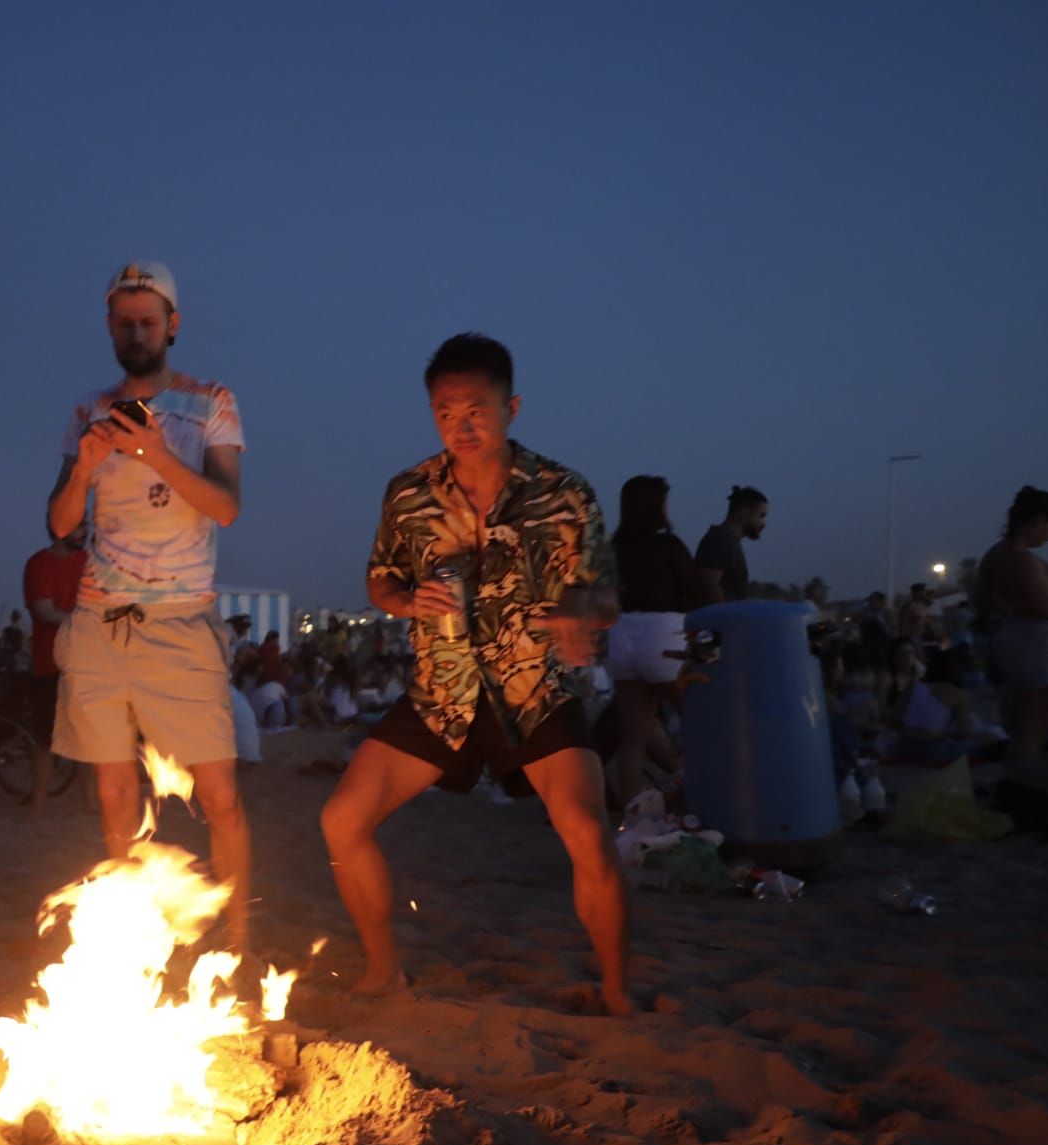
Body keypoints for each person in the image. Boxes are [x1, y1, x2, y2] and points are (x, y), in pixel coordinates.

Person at [318, 334, 630, 1013]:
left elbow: (605, 595)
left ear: (511, 407)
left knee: (585, 828)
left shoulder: (564, 492)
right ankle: (383, 972)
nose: (460, 424)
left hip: (535, 692)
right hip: (443, 694)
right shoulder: (409, 493)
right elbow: (380, 580)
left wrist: (581, 615)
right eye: (444, 411)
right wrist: (406, 600)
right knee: (342, 818)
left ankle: (615, 990)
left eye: (476, 409)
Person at [45, 260, 252, 950]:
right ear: (109, 327)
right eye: (124, 322)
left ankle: (240, 945)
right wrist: (83, 466)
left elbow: (225, 508)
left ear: (173, 325)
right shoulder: (87, 410)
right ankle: (131, 947)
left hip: (181, 620)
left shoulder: (212, 401)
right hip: (101, 619)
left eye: (148, 321)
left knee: (219, 797)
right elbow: (60, 525)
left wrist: (158, 456)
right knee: (113, 798)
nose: (136, 333)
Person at [602, 475, 708, 809]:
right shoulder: (669, 546)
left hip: (620, 637)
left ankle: (631, 816)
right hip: (664, 633)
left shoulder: (612, 549)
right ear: (657, 506)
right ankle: (710, 797)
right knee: (703, 720)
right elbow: (696, 591)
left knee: (633, 738)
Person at [975, 486, 1048, 768]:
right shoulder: (1024, 560)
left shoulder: (994, 554)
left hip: (1013, 641)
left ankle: (1018, 782)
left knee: (1023, 723)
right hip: (1038, 646)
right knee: (1036, 727)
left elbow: (982, 599)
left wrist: (1012, 607)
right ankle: (1020, 787)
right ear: (1035, 520)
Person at [22, 519, 88, 806]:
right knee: (45, 734)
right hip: (51, 661)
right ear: (59, 528)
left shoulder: (90, 562)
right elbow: (45, 611)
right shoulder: (39, 564)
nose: (85, 532)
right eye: (79, 526)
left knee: (90, 736)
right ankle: (39, 800)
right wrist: (87, 621)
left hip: (88, 661)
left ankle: (90, 801)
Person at [695, 484, 768, 602]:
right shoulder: (719, 539)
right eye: (761, 516)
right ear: (744, 512)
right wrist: (725, 619)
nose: (764, 523)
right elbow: (709, 585)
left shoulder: (729, 541)